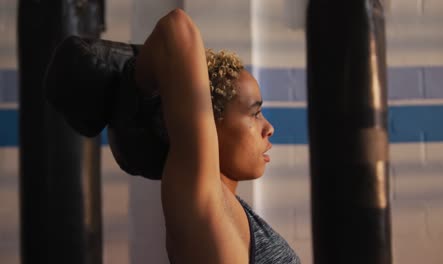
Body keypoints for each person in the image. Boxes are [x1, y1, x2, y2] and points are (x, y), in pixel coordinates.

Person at [45, 8, 301, 264]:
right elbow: (177, 28)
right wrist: (131, 84)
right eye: (254, 113)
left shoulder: (234, 211)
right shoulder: (203, 203)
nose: (269, 128)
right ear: (208, 125)